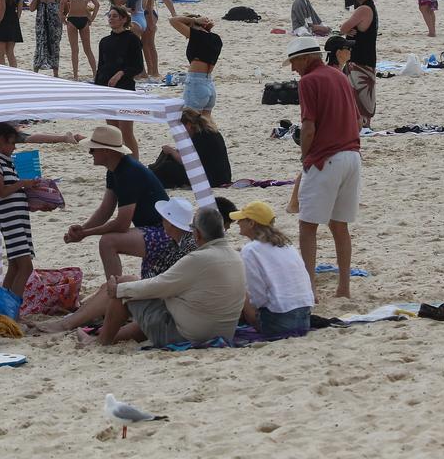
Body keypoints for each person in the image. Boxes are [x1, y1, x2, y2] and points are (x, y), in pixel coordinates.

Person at [95, 206, 245, 347]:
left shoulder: (198, 258)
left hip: (188, 336)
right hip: (223, 334)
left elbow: (159, 285)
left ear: (197, 233)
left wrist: (119, 289)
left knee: (124, 289)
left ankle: (101, 342)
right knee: (129, 289)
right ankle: (105, 337)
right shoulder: (236, 257)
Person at [286, 35, 362, 299]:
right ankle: (344, 287)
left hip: (326, 159)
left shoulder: (309, 81)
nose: (294, 69)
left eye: (295, 62)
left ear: (306, 58)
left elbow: (308, 127)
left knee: (307, 226)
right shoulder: (338, 75)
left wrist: (305, 159)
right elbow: (358, 118)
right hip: (352, 156)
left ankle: (310, 289)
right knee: (339, 226)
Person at [65, 125, 169, 281]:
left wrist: (86, 234)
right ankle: (115, 289)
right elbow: (105, 210)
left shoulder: (129, 172)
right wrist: (82, 229)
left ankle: (114, 292)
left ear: (106, 151)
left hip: (166, 233)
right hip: (156, 229)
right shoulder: (115, 169)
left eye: (93, 149)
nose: (90, 152)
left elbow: (122, 224)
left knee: (108, 242)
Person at [232, 201, 315, 334]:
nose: (237, 223)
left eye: (241, 220)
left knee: (239, 289)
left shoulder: (251, 250)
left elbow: (258, 296)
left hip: (278, 319)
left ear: (251, 223)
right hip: (304, 316)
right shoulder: (287, 245)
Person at [0, 122, 43, 299]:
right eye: (12, 143)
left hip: (18, 217)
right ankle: (13, 309)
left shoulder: (6, 162)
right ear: (1, 141)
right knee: (25, 266)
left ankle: (3, 305)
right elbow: (2, 191)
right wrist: (22, 184)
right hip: (10, 219)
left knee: (15, 265)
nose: (14, 147)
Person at [94, 6, 144, 156]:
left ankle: (136, 166)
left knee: (126, 132)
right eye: (109, 16)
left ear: (124, 19)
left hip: (125, 89)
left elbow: (138, 67)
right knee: (113, 133)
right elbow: (101, 67)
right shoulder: (104, 41)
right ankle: (118, 164)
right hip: (106, 90)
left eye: (115, 16)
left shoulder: (132, 39)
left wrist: (121, 73)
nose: (111, 18)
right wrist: (97, 89)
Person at [148, 108, 231, 189]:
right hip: (220, 177)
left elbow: (188, 162)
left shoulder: (201, 137)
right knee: (169, 157)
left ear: (188, 124)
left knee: (167, 166)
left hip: (212, 179)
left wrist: (172, 152)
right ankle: (151, 174)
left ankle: (150, 177)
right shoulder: (207, 132)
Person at [339, 0, 378, 128]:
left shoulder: (364, 9)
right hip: (366, 58)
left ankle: (361, 125)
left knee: (358, 95)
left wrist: (348, 29)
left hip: (360, 60)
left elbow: (343, 28)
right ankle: (363, 124)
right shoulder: (371, 8)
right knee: (362, 96)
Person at [168, 14, 221, 114]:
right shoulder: (216, 39)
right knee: (207, 123)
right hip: (209, 82)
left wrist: (194, 20)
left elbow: (172, 20)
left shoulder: (196, 35)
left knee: (190, 122)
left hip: (196, 83)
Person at [62, 0, 99, 80]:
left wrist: (62, 16)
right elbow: (97, 4)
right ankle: (95, 74)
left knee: (75, 50)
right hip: (84, 20)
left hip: (72, 19)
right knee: (87, 49)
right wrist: (92, 18)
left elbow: (63, 2)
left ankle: (75, 76)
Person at [29, 0, 63, 77]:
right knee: (40, 46)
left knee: (54, 47)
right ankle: (36, 71)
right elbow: (31, 8)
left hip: (55, 26)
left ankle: (55, 73)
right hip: (41, 25)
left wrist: (60, 18)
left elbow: (66, 8)